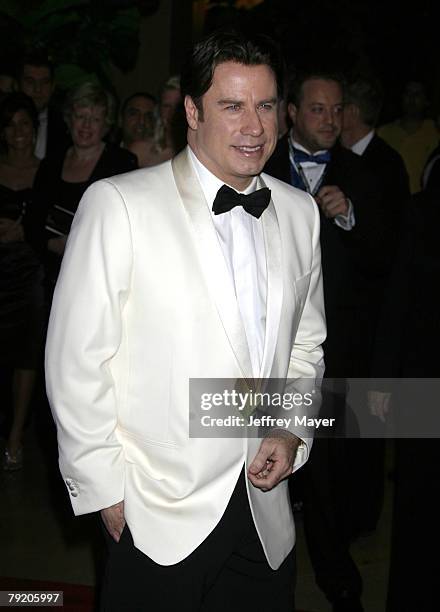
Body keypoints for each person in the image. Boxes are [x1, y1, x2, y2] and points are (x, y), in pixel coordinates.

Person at [45, 30, 326, 612]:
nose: (253, 126)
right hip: (157, 515)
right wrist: (106, 490)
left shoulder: (300, 213)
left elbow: (305, 347)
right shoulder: (119, 204)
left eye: (266, 105)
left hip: (265, 517)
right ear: (192, 112)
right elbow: (76, 362)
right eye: (232, 105)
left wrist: (291, 428)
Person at [265, 70, 386, 612]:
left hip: (332, 351)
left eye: (337, 110)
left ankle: (340, 584)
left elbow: (388, 260)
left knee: (326, 476)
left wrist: (349, 219)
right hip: (262, 346)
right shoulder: (257, 163)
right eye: (318, 110)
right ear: (292, 112)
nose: (331, 120)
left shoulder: (366, 171)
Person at [33, 81, 137, 284]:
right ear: (69, 119)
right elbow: (33, 220)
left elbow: (129, 224)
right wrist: (51, 244)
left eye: (95, 119)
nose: (86, 125)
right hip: (48, 273)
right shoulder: (50, 163)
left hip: (99, 274)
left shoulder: (122, 162)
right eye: (81, 117)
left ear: (106, 124)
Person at [0, 92, 46, 470]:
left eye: (26, 124)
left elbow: (52, 225)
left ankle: (16, 435)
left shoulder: (46, 170)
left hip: (30, 272)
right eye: (12, 124)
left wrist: (25, 233)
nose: (19, 132)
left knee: (27, 354)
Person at [378, 81, 438, 193]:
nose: (411, 99)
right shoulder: (384, 132)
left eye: (417, 94)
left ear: (426, 101)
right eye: (408, 93)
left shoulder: (434, 132)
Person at [17, 49, 70, 160]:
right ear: (18, 84)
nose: (37, 89)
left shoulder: (66, 126)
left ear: (52, 87)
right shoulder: (3, 122)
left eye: (44, 82)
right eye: (30, 82)